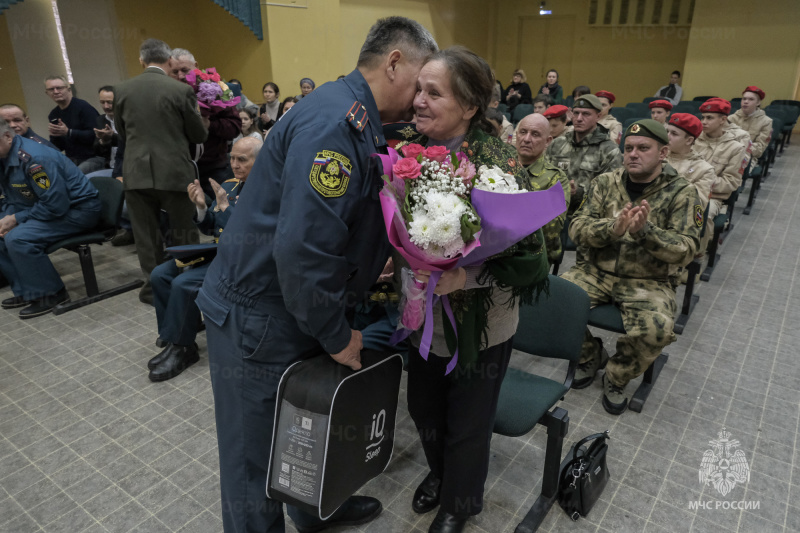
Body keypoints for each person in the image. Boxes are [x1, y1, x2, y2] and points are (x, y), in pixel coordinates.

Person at [194, 17, 437, 533]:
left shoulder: (356, 115)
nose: (419, 100)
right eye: (420, 83)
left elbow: (333, 223)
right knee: (254, 461)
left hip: (297, 304)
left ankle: (316, 507)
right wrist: (335, 335)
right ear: (394, 62)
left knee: (308, 426)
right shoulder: (335, 123)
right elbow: (303, 250)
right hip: (260, 312)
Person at [406, 47, 550, 533]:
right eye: (418, 90)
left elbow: (532, 261)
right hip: (423, 316)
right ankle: (441, 474)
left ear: (470, 106)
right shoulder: (409, 150)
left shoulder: (499, 164)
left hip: (481, 323)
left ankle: (459, 504)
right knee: (423, 408)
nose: (419, 101)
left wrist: (467, 276)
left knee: (468, 423)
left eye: (434, 93)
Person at [561, 119, 701, 414]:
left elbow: (687, 249)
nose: (633, 154)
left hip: (648, 281)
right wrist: (612, 229)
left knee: (657, 329)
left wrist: (645, 233)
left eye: (643, 148)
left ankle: (617, 375)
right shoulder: (605, 183)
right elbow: (577, 227)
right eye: (629, 148)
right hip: (595, 272)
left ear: (663, 153)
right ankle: (589, 355)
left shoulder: (682, 192)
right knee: (552, 299)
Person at [148, 137, 261, 382]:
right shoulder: (230, 187)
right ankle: (173, 331)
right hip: (218, 252)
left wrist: (224, 208)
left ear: (260, 160)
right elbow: (211, 228)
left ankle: (183, 348)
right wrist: (201, 207)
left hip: (242, 261)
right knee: (160, 274)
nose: (234, 164)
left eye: (242, 159)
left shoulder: (266, 192)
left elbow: (247, 237)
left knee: (183, 284)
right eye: (232, 158)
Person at [113, 38, 208, 304]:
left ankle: (153, 289)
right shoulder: (179, 91)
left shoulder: (121, 89)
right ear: (169, 61)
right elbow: (197, 134)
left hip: (136, 172)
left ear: (141, 61)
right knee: (184, 232)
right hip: (174, 172)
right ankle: (188, 283)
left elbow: (122, 132)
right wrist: (204, 121)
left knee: (146, 236)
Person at [0, 118, 102, 318]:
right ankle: (28, 292)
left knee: (18, 238)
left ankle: (52, 294)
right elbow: (14, 197)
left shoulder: (34, 159)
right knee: (2, 233)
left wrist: (16, 219)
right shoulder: (4, 156)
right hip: (46, 209)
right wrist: (7, 218)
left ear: (6, 137)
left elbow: (56, 205)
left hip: (77, 211)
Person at [546, 94, 623, 214]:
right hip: (552, 212)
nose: (579, 118)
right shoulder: (557, 144)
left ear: (598, 116)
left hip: (587, 218)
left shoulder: (609, 150)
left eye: (586, 114)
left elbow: (611, 193)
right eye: (576, 113)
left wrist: (578, 193)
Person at [515, 113, 570, 264]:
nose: (526, 139)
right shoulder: (499, 168)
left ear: (548, 141)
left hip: (534, 255)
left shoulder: (555, 179)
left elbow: (553, 227)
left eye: (535, 134)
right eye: (523, 132)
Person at [45, 75, 105, 173]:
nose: (56, 92)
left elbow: (96, 135)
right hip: (72, 159)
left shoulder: (83, 107)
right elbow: (59, 147)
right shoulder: (54, 114)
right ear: (47, 93)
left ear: (68, 89)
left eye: (59, 88)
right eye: (51, 89)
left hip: (93, 157)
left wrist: (69, 132)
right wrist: (54, 135)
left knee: (76, 175)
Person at [666, 113, 715, 210]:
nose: (667, 136)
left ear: (689, 140)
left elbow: (696, 205)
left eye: (674, 134)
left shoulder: (704, 170)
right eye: (667, 131)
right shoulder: (656, 155)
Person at [728, 86, 773, 162]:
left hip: (748, 157)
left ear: (758, 103)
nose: (746, 101)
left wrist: (738, 147)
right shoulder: (731, 118)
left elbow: (759, 149)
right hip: (726, 154)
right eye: (744, 99)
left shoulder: (766, 122)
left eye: (751, 99)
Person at [93, 85, 119, 169]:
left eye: (109, 102)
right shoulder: (100, 120)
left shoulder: (128, 119)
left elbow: (130, 142)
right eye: (102, 102)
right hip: (110, 166)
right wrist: (103, 141)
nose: (106, 106)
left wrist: (112, 136)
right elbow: (96, 151)